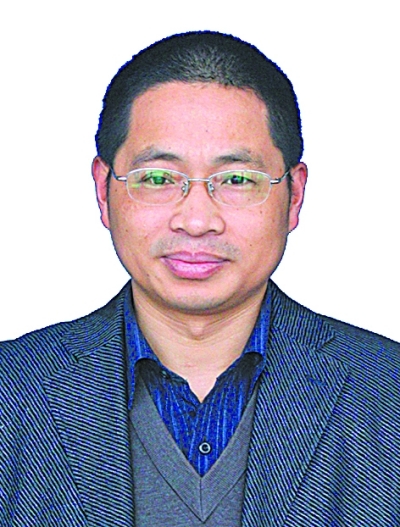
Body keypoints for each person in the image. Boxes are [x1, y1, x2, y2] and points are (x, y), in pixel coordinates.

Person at [1, 31, 399, 527]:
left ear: (294, 196)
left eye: (236, 180)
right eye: (157, 179)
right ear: (103, 191)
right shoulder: (12, 390)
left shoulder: (387, 392)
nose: (195, 220)